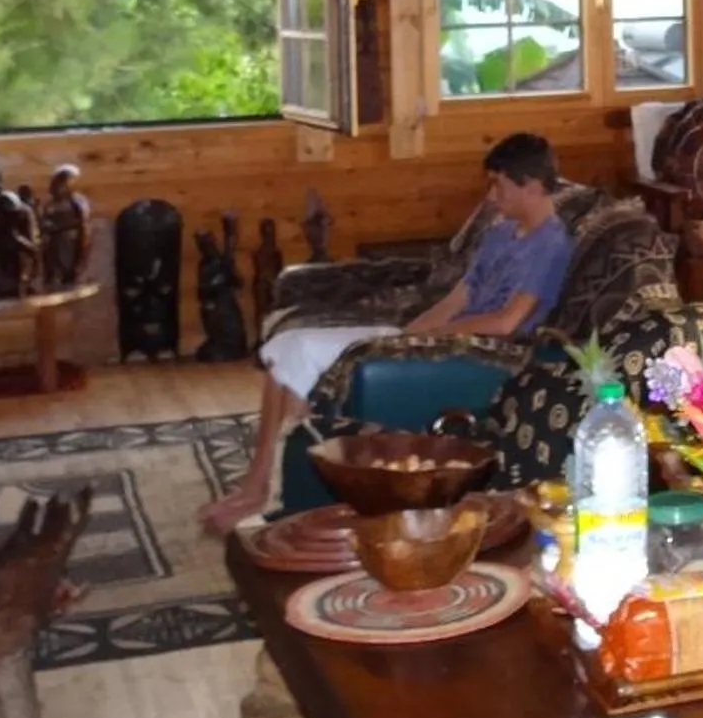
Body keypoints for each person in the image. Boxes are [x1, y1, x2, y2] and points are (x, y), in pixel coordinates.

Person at [199, 133, 573, 534]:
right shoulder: (501, 232)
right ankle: (259, 482)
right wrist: (407, 336)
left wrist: (431, 339)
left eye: (499, 184)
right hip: (438, 339)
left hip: (481, 352)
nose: (491, 194)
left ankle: (273, 496)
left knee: (303, 352)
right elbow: (459, 295)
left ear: (532, 186)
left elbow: (506, 322)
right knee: (284, 347)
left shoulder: (550, 244)